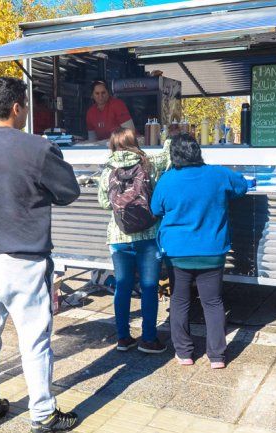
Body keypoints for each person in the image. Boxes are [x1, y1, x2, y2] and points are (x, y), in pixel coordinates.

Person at [0, 76, 80, 432]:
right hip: (24, 259)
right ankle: (42, 413)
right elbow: (69, 190)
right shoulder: (37, 149)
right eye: (25, 105)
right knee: (34, 338)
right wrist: (49, 152)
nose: (27, 111)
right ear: (16, 107)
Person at [150, 134, 249, 369]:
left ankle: (184, 353)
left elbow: (156, 208)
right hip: (212, 250)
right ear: (198, 151)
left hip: (177, 252)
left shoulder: (167, 179)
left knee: (180, 300)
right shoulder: (218, 174)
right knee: (213, 302)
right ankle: (217, 356)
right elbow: (242, 185)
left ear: (174, 155)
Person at [97, 127, 171, 353]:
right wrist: (169, 137)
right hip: (147, 235)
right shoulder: (149, 163)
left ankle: (123, 338)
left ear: (113, 144)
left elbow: (103, 202)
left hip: (118, 237)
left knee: (123, 286)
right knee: (149, 287)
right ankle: (149, 339)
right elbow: (168, 157)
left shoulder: (107, 169)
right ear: (135, 142)